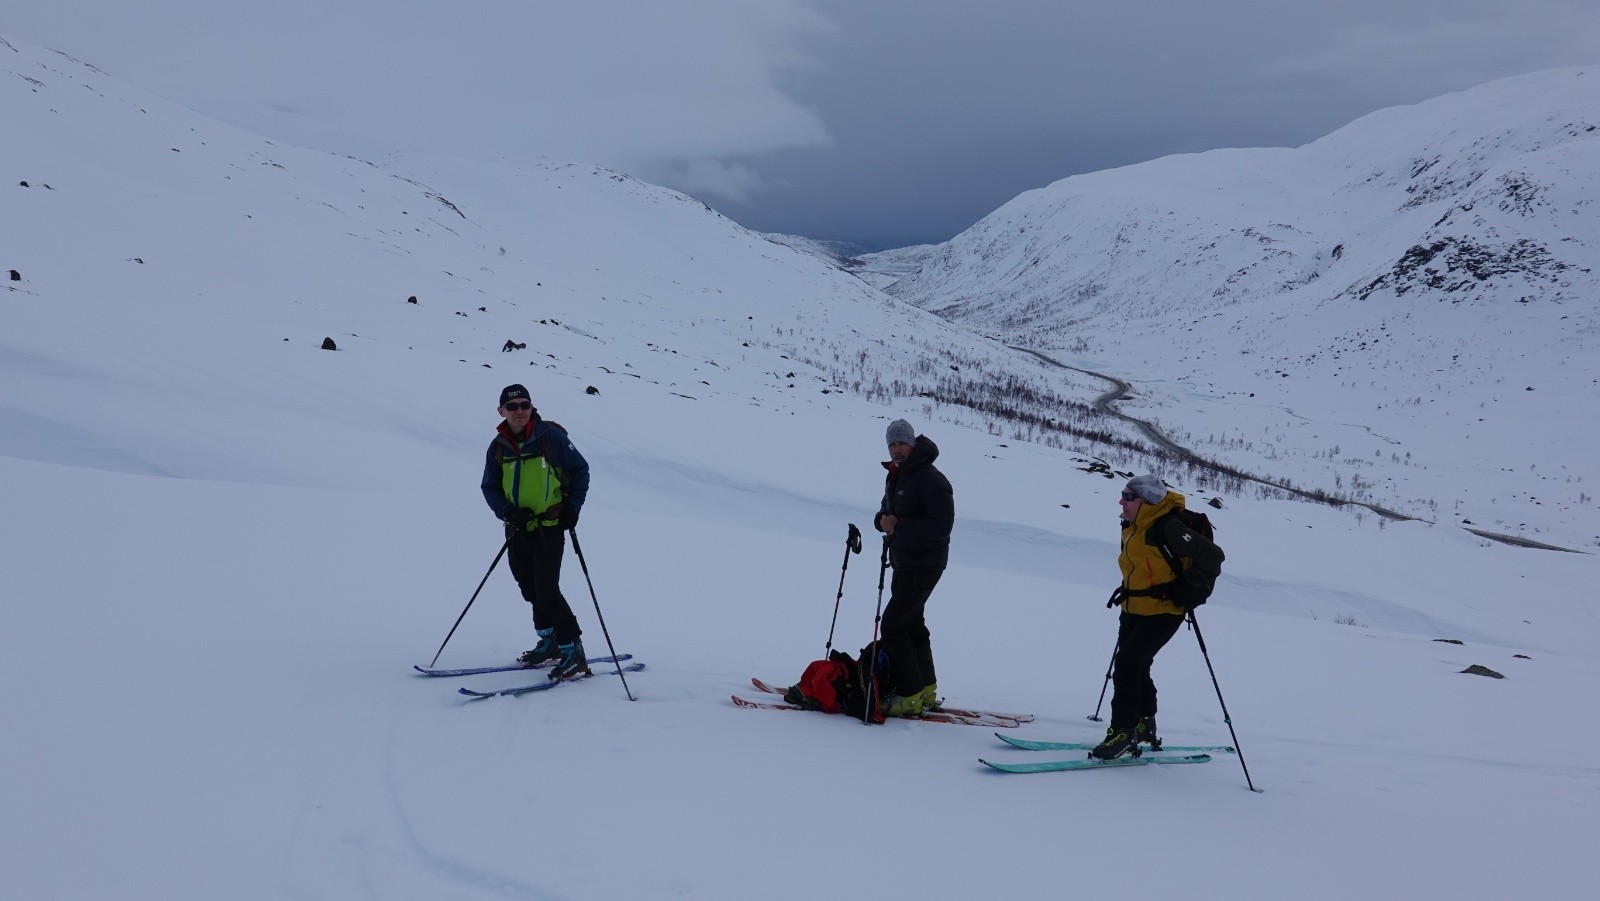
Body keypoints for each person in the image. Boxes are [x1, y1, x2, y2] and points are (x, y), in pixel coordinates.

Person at [1092, 474, 1224, 759]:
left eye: (1129, 497)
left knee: (1127, 665)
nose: (1122, 501)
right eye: (1123, 494)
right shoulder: (1133, 525)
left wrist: (1184, 588)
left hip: (1164, 611)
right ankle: (1144, 724)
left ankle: (1123, 731)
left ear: (1146, 501)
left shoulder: (1169, 527)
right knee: (1137, 666)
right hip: (1134, 607)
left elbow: (1213, 557)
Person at [480, 384, 591, 680]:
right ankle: (550, 641)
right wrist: (508, 512)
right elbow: (489, 487)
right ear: (501, 411)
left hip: (549, 527)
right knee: (529, 589)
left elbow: (580, 470)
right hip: (517, 529)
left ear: (531, 407)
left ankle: (573, 650)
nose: (519, 410)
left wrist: (573, 509)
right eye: (512, 406)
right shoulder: (499, 447)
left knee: (548, 592)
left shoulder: (549, 438)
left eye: (524, 404)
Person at [872, 418, 955, 717]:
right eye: (891, 444)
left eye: (901, 443)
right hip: (904, 561)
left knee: (894, 625)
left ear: (913, 444)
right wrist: (881, 520)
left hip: (925, 563)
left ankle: (909, 694)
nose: (896, 449)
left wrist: (899, 527)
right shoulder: (897, 476)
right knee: (912, 624)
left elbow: (941, 526)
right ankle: (926, 689)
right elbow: (887, 512)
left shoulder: (931, 479)